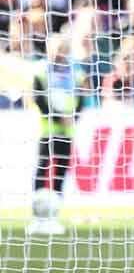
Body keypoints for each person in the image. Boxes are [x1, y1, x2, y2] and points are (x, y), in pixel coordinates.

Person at [29, 34, 86, 236]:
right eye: (57, 48)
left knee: (61, 171)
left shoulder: (75, 72)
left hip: (67, 130)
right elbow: (38, 98)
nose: (60, 52)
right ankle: (36, 213)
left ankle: (55, 212)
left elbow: (81, 98)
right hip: (49, 129)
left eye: (63, 48)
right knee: (43, 169)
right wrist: (57, 118)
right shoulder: (41, 70)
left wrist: (73, 117)